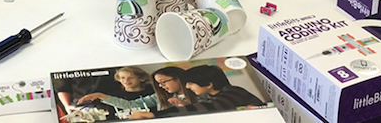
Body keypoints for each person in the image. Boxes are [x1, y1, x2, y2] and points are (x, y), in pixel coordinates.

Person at [128, 65, 265, 119]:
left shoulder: (233, 92)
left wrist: (153, 114)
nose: (187, 87)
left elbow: (208, 108)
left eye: (191, 83)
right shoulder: (215, 95)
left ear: (208, 84)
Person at [77, 66, 197, 113]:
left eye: (163, 82)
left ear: (179, 79)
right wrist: (101, 96)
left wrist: (187, 106)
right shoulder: (158, 96)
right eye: (158, 83)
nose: (161, 86)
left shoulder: (199, 94)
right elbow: (131, 104)